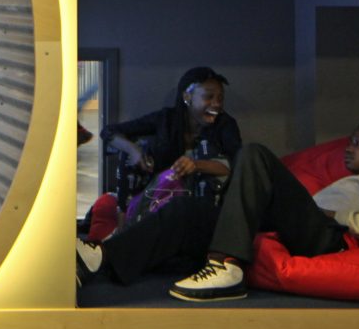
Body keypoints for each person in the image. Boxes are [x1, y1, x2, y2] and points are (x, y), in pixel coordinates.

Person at [169, 118, 359, 302]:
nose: (349, 149)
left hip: (330, 238)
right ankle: (130, 265)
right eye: (350, 143)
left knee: (255, 154)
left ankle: (225, 266)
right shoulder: (349, 181)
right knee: (192, 209)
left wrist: (335, 216)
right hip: (304, 229)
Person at [76, 67, 240, 285]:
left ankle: (103, 256)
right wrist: (135, 152)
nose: (216, 104)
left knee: (182, 207)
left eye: (220, 98)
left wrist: (197, 165)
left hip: (202, 206)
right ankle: (119, 237)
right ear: (187, 97)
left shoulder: (225, 126)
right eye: (209, 97)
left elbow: (237, 167)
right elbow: (110, 132)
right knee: (130, 160)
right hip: (159, 200)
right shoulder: (166, 120)